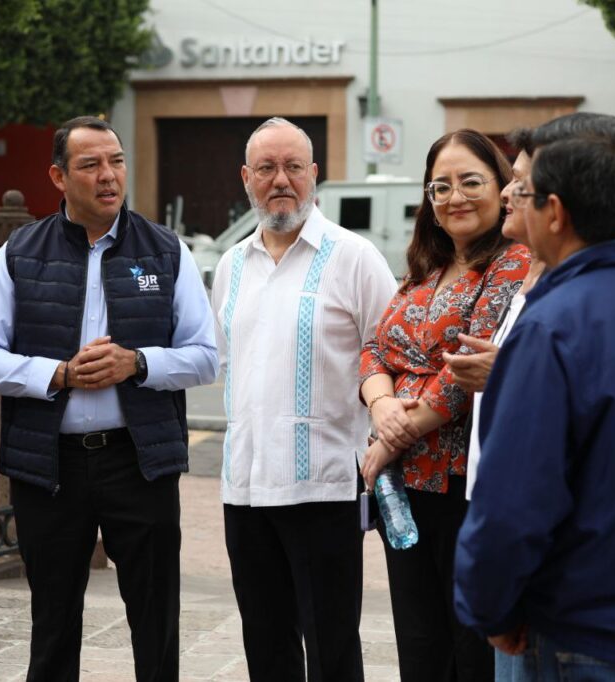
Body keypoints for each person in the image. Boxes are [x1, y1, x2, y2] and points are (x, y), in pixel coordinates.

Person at [453, 113, 615, 681]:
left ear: (556, 212)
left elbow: (513, 503)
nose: (509, 196)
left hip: (584, 637)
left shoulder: (554, 324)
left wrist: (489, 610)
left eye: (523, 190)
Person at [0, 115, 217, 682]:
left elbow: (205, 356)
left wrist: (139, 363)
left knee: (156, 622)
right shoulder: (20, 253)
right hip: (50, 467)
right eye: (90, 165)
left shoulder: (164, 250)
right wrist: (58, 375)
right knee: (53, 624)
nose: (108, 176)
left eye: (116, 161)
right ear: (58, 175)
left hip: (139, 461)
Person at [211, 116, 397, 682]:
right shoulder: (231, 265)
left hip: (324, 488)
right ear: (246, 178)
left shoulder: (353, 256)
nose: (281, 180)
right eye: (266, 168)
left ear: (314, 174)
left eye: (293, 166)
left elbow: (391, 351)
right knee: (266, 648)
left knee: (332, 648)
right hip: (244, 488)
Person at [358, 129, 530, 682]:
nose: (454, 197)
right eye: (440, 187)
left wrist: (387, 436)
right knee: (419, 644)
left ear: (503, 187)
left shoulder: (511, 264)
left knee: (470, 648)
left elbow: (461, 376)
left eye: (470, 182)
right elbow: (371, 351)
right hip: (404, 491)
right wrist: (382, 402)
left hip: (464, 488)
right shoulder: (423, 271)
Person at [439, 129, 547, 501]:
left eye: (517, 181)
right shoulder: (532, 280)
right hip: (491, 497)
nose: (506, 194)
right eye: (439, 186)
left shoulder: (572, 294)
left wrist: (507, 373)